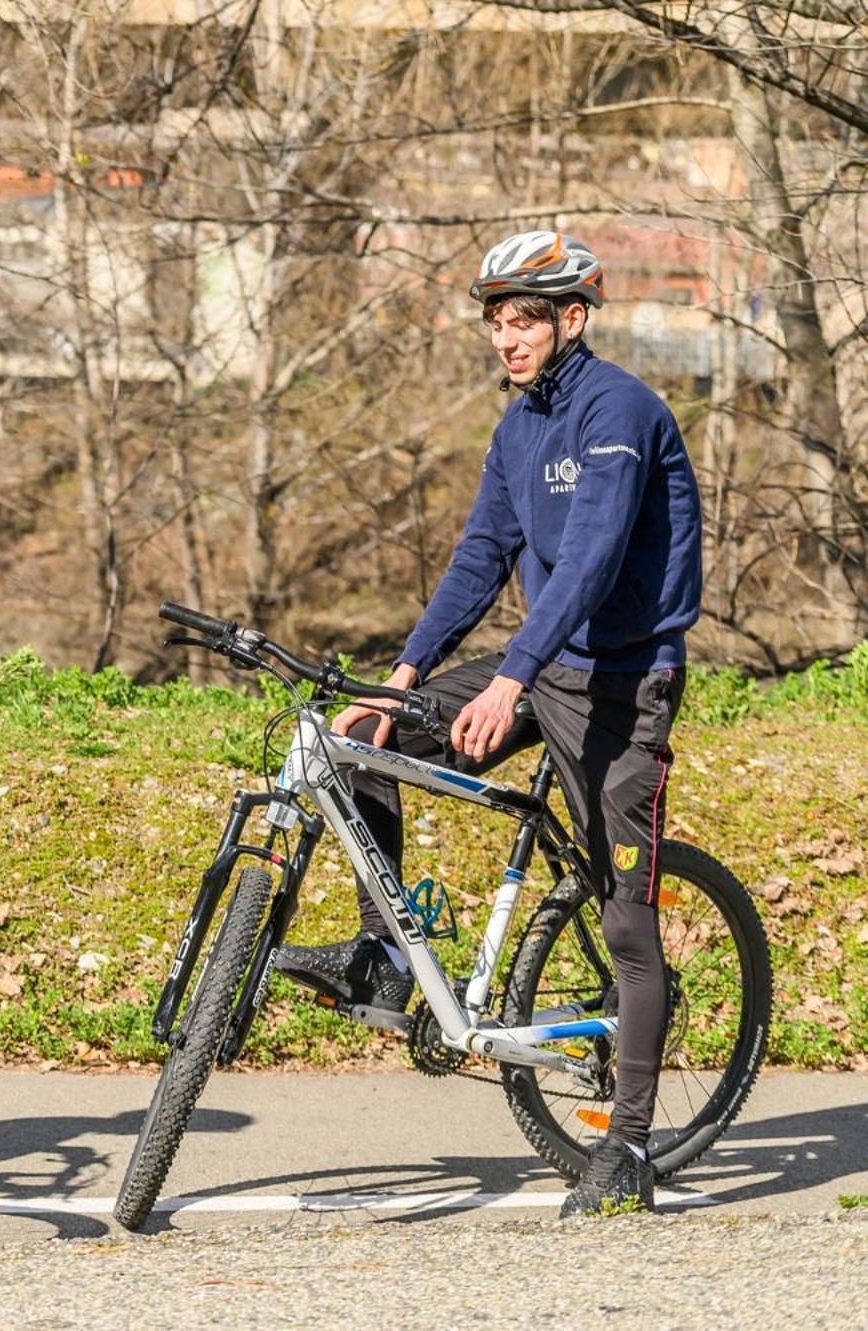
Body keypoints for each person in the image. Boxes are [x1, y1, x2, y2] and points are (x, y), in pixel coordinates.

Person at [270, 231, 702, 1217]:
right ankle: (380, 952)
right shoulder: (517, 429)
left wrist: (506, 679)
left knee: (626, 919)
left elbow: (591, 557)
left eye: (522, 320)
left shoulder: (619, 410)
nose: (504, 338)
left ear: (571, 319)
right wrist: (404, 671)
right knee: (366, 741)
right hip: (539, 663)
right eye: (495, 322)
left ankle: (628, 1146)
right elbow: (478, 557)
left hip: (622, 682)